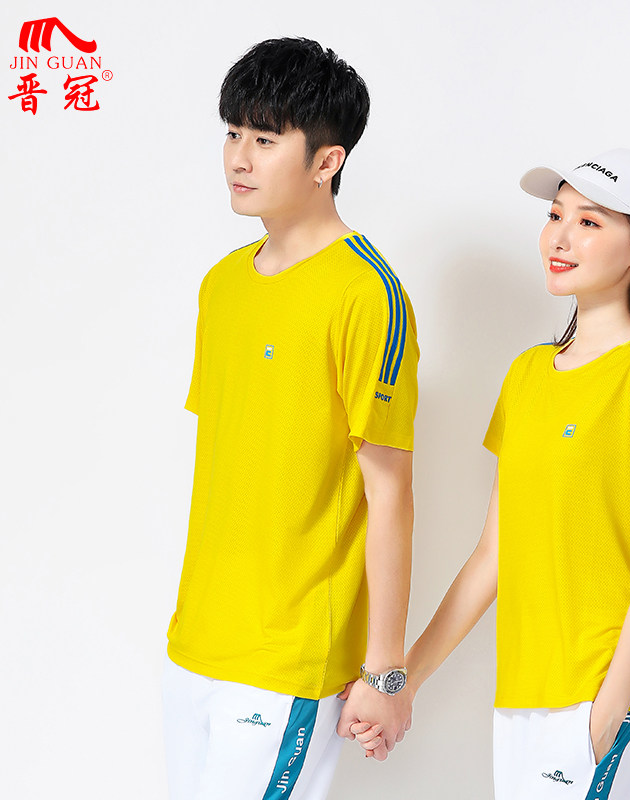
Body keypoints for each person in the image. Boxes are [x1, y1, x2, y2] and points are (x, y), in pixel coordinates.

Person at [353, 149, 630, 799]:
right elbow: (493, 556)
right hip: (521, 693)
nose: (560, 237)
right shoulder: (527, 373)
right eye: (556, 215)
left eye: (589, 222)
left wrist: (605, 715)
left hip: (598, 690)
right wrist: (402, 684)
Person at [162, 37, 419, 800]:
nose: (238, 158)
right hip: (196, 643)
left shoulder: (367, 294)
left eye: (266, 140)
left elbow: (390, 494)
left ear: (326, 161)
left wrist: (386, 671)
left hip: (290, 657)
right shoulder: (222, 285)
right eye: (233, 133)